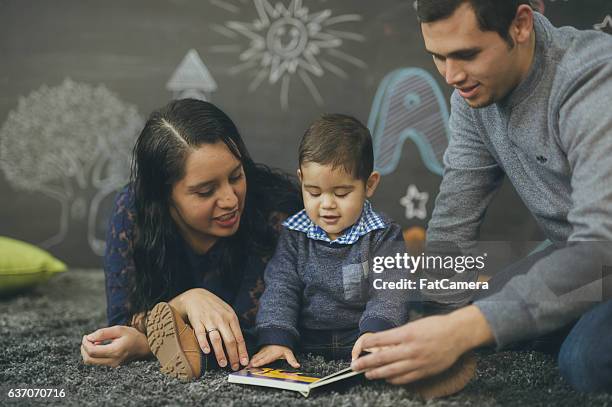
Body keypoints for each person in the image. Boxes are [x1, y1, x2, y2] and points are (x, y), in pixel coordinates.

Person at [351, 0, 612, 392]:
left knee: (585, 359)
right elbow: (456, 212)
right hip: (575, 255)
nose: (451, 76)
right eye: (438, 57)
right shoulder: (471, 96)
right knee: (481, 311)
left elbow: (599, 252)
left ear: (521, 25)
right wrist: (433, 327)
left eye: (467, 54)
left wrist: (461, 332)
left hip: (600, 252)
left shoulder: (593, 79)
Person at [80, 98, 301, 380]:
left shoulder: (277, 214)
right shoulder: (133, 210)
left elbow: (253, 334)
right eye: (206, 191)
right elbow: (123, 322)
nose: (230, 200)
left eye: (236, 176)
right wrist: (185, 302)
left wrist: (148, 344)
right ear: (164, 196)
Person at [250, 114, 410, 368]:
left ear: (369, 185)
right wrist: (277, 338)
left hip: (361, 337)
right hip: (306, 341)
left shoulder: (381, 233)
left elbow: (391, 288)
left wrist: (376, 332)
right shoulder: (294, 234)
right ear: (301, 180)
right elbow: (282, 286)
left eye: (342, 193)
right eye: (314, 192)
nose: (326, 205)